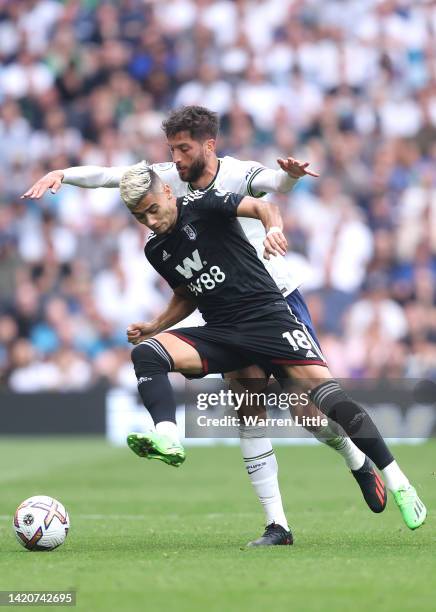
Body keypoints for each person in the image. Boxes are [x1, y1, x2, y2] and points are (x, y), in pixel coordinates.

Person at [23, 106, 425, 541]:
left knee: (308, 409)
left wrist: (287, 180)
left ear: (208, 145)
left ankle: (357, 459)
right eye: (171, 149)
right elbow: (109, 176)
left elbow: (272, 189)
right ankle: (277, 524)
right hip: (222, 314)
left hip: (275, 298)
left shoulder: (233, 176)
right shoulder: (164, 191)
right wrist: (63, 172)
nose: (176, 158)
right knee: (249, 407)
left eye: (183, 148)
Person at [118, 164, 426, 547]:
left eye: (151, 209)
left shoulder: (203, 202)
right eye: (139, 217)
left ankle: (396, 480)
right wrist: (156, 325)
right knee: (150, 355)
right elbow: (187, 292)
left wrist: (274, 230)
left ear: (166, 192)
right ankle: (269, 520)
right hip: (223, 333)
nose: (149, 221)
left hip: (267, 318)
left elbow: (265, 208)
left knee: (321, 403)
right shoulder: (156, 249)